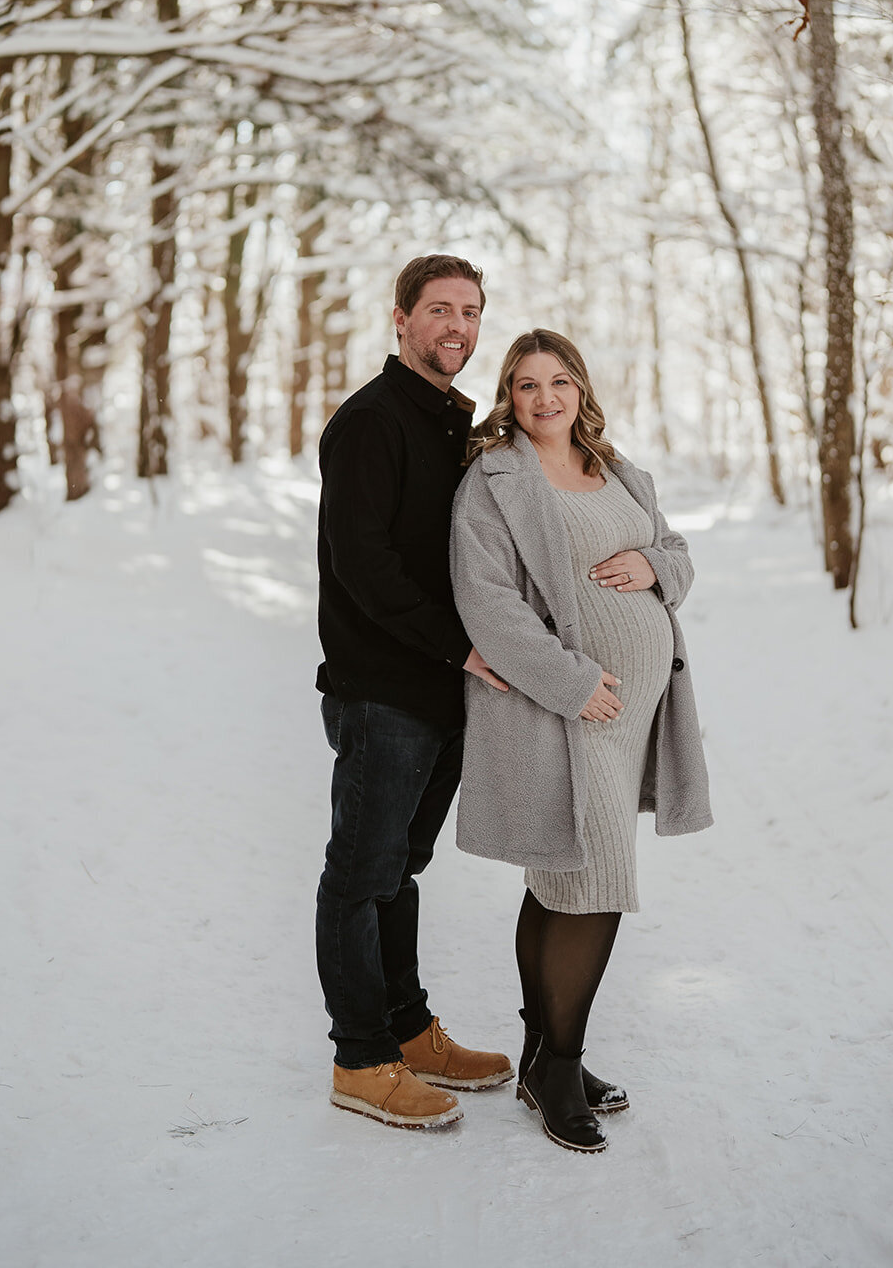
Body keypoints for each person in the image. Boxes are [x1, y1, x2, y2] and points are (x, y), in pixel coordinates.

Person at [450, 329, 713, 1154]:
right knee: (590, 878)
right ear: (509, 395)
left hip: (632, 711)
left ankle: (543, 1057)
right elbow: (485, 600)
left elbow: (676, 553)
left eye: (558, 381)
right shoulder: (492, 480)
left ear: (580, 389)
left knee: (564, 875)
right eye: (526, 385)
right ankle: (558, 1065)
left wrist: (653, 564)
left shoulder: (618, 470)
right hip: (561, 710)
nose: (544, 399)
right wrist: (572, 683)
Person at [315, 254, 514, 1130]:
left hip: (442, 692)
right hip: (384, 691)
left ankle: (408, 1029)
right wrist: (460, 646)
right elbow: (363, 565)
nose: (457, 328)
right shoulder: (371, 421)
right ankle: (360, 1059)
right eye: (439, 310)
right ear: (399, 319)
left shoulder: (451, 423)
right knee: (359, 877)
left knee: (401, 871)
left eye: (470, 312)